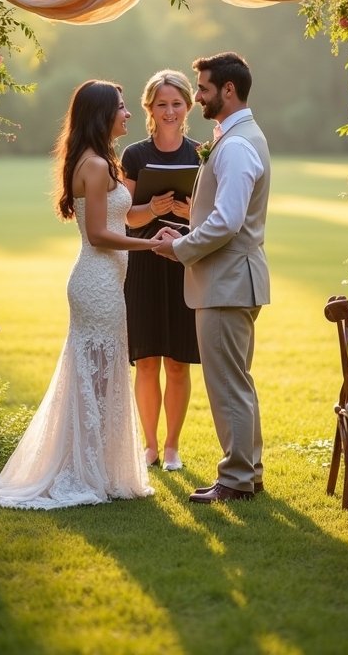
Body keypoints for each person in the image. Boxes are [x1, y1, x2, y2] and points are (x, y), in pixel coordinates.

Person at [0, 80, 162, 509]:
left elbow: (119, 218)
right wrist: (150, 245)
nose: (128, 113)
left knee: (101, 378)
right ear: (102, 114)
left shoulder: (100, 162)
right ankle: (84, 471)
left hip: (106, 281)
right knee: (96, 379)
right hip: (96, 283)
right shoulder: (94, 165)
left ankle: (96, 467)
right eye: (121, 107)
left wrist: (152, 214)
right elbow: (98, 234)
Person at [155, 52, 270, 503]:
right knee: (237, 381)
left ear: (228, 90)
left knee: (227, 385)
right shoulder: (238, 137)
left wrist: (180, 248)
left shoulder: (237, 145)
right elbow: (222, 218)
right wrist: (184, 233)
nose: (198, 96)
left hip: (226, 282)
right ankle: (249, 472)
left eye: (203, 89)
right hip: (232, 279)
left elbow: (227, 221)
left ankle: (237, 478)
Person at [121, 69, 200, 472]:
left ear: (188, 106)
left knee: (178, 362)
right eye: (162, 104)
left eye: (177, 103)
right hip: (144, 264)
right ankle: (149, 446)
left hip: (184, 264)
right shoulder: (134, 156)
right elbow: (125, 218)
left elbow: (214, 221)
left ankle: (172, 447)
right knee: (148, 360)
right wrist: (152, 209)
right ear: (149, 108)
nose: (170, 111)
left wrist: (189, 215)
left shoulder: (203, 154)